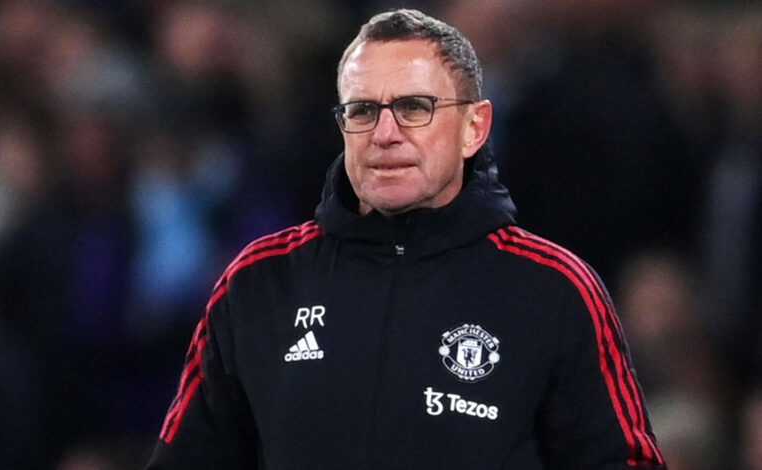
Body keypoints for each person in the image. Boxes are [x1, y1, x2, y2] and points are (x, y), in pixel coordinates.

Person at [146, 9, 666, 469]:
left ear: (474, 127)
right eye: (362, 110)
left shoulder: (554, 290)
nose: (384, 133)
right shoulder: (260, 283)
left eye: (414, 107)